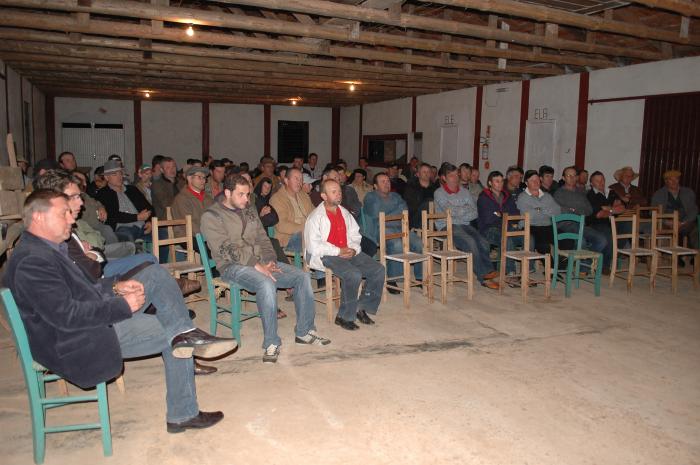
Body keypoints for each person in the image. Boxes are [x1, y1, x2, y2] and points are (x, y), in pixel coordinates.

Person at [6, 189, 236, 432]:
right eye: (64, 213)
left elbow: (83, 288)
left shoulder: (46, 248)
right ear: (39, 218)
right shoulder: (33, 261)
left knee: (155, 274)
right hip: (77, 339)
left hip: (90, 319)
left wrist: (115, 286)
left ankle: (186, 333)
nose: (72, 218)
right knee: (174, 334)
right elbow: (67, 316)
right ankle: (183, 410)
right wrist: (121, 305)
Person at [201, 174, 330, 363]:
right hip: (232, 267)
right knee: (266, 283)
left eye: (248, 194)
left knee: (302, 276)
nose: (247, 199)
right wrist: (257, 265)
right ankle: (271, 342)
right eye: (241, 195)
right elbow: (226, 249)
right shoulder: (211, 216)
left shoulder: (249, 210)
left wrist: (270, 260)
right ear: (227, 193)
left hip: (261, 262)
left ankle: (304, 331)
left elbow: (263, 238)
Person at [304, 179, 385, 330]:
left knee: (378, 269)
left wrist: (353, 249)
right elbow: (314, 247)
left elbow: (355, 235)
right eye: (333, 192)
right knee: (353, 274)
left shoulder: (345, 213)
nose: (338, 195)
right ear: (323, 196)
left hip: (347, 251)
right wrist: (338, 251)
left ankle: (361, 308)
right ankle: (344, 316)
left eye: (339, 191)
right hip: (326, 255)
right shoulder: (315, 217)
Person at [434, 163, 499, 289]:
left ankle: (487, 273)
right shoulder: (439, 193)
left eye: (456, 175)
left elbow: (474, 212)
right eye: (451, 175)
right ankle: (484, 276)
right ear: (443, 178)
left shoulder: (464, 192)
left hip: (464, 224)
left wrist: (458, 212)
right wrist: (463, 210)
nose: (455, 178)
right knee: (470, 242)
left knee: (483, 242)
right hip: (447, 226)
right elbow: (449, 211)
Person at [363, 173, 423, 292]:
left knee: (419, 243)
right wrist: (395, 210)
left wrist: (386, 213)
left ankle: (420, 277)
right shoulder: (370, 197)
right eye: (383, 181)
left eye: (388, 181)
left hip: (400, 227)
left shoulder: (395, 195)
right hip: (380, 228)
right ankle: (393, 278)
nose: (387, 184)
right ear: (375, 185)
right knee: (396, 244)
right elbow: (376, 214)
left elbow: (405, 210)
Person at [554, 166, 611, 272]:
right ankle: (583, 269)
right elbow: (561, 211)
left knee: (602, 240)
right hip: (566, 225)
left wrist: (574, 210)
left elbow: (589, 210)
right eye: (568, 175)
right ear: (563, 178)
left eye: (574, 175)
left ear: (577, 178)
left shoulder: (581, 192)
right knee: (582, 242)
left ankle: (585, 262)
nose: (571, 178)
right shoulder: (559, 193)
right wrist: (577, 211)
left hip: (581, 225)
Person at [95, 160, 153, 242]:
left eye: (120, 173)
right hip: (123, 228)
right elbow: (113, 215)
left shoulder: (132, 189)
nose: (119, 177)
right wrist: (137, 217)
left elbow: (148, 207)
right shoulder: (103, 193)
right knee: (127, 235)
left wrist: (149, 222)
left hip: (143, 226)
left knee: (164, 234)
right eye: (114, 174)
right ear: (106, 177)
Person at [477, 170, 520, 274]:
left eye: (501, 181)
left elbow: (516, 215)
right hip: (488, 230)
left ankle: (529, 270)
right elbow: (488, 219)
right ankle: (510, 272)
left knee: (530, 238)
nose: (500, 184)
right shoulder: (483, 198)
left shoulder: (507, 197)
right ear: (490, 183)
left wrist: (500, 214)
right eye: (497, 181)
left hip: (506, 227)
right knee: (507, 239)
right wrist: (506, 215)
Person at [269, 167, 314, 254]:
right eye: (296, 178)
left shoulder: (304, 195)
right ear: (286, 180)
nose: (299, 182)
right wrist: (306, 228)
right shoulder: (277, 199)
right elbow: (282, 225)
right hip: (289, 238)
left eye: (301, 179)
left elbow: (314, 213)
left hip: (308, 233)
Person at [516, 170, 561, 255]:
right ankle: (551, 266)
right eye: (532, 180)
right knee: (543, 245)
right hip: (531, 227)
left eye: (537, 180)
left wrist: (539, 209)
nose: (536, 182)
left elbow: (557, 211)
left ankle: (560, 266)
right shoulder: (522, 197)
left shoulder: (547, 196)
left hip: (548, 226)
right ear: (526, 183)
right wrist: (546, 210)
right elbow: (529, 215)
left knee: (567, 241)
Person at [651, 169, 698, 249]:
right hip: (667, 223)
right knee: (661, 230)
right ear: (666, 181)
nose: (674, 182)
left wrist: (683, 222)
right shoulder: (659, 194)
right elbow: (653, 211)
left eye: (676, 179)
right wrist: (665, 221)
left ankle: (695, 255)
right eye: (670, 179)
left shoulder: (688, 192)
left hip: (684, 222)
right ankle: (670, 256)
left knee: (695, 229)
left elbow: (693, 210)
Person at [587, 171, 626, 256]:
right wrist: (613, 210)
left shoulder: (611, 192)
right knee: (608, 235)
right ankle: (605, 265)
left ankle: (615, 254)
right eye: (597, 181)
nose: (601, 183)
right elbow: (599, 213)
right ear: (591, 183)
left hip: (613, 221)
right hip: (597, 223)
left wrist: (608, 209)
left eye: (602, 180)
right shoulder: (590, 195)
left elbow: (622, 207)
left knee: (627, 226)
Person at [171, 166, 215, 238]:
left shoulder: (208, 198)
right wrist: (209, 235)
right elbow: (189, 225)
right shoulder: (182, 199)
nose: (203, 181)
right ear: (189, 178)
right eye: (199, 177)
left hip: (207, 235)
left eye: (204, 178)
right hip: (188, 237)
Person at [403, 163, 437, 229]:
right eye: (424, 172)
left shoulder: (435, 189)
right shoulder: (411, 187)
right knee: (429, 202)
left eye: (428, 172)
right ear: (418, 174)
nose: (426, 174)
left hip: (431, 217)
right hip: (415, 217)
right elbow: (410, 207)